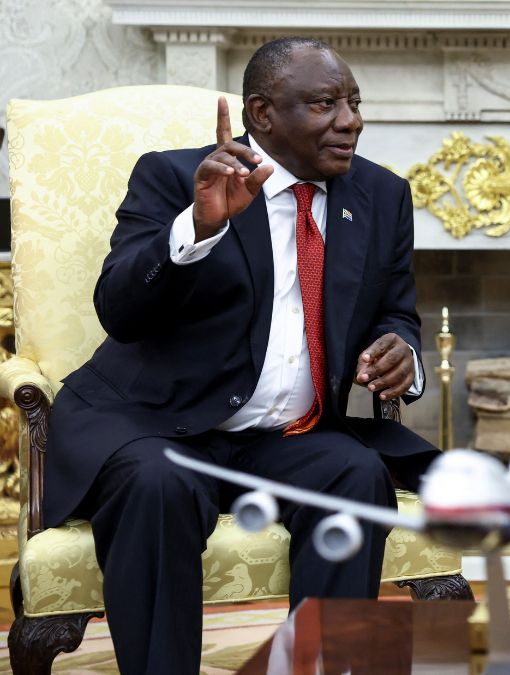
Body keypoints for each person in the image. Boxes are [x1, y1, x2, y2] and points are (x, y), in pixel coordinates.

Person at [43, 37, 438, 674]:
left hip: (286, 435)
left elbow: (396, 310)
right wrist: (196, 230)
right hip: (158, 421)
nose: (350, 121)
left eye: (354, 103)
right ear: (262, 114)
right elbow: (118, 311)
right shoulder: (177, 177)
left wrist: (404, 356)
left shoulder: (381, 195)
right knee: (158, 484)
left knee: (356, 476)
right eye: (324, 104)